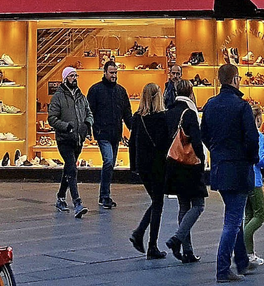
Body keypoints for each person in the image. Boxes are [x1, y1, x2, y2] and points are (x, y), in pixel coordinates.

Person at [201, 64, 261, 282]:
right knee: (233, 221)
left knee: (233, 215)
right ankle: (223, 268)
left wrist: (216, 150)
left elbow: (204, 134)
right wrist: (251, 158)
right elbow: (252, 138)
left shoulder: (210, 105)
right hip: (238, 168)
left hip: (219, 167)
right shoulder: (242, 106)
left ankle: (242, 261)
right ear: (235, 79)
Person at [164, 79, 207, 264]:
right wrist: (202, 160)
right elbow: (196, 141)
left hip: (174, 163)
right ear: (191, 93)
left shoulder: (169, 112)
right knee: (198, 205)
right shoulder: (189, 113)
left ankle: (188, 251)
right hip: (190, 165)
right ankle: (177, 238)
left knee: (183, 206)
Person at [128, 82, 170, 259]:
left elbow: (132, 143)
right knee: (158, 203)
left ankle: (140, 233)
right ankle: (151, 244)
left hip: (143, 166)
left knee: (156, 201)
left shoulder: (137, 118)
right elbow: (164, 143)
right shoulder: (162, 117)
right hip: (158, 166)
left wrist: (134, 166)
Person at [87, 60, 132, 209]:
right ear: (105, 72)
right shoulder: (96, 90)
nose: (114, 75)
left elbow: (127, 112)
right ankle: (104, 195)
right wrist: (89, 130)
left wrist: (133, 127)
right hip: (102, 133)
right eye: (111, 73)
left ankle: (104, 195)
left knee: (110, 163)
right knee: (108, 161)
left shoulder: (121, 91)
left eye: (115, 73)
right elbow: (89, 112)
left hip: (115, 134)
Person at [47, 66, 92, 218]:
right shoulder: (58, 97)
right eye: (71, 76)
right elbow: (52, 118)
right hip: (64, 139)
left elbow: (89, 112)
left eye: (75, 76)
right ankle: (77, 202)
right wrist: (66, 126)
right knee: (72, 168)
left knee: (69, 169)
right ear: (65, 78)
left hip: (78, 139)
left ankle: (60, 197)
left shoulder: (81, 96)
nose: (74, 78)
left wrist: (87, 124)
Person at [244, 124, 264, 265]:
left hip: (243, 179)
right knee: (259, 215)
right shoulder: (257, 136)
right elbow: (260, 158)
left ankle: (249, 253)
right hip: (254, 180)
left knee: (249, 215)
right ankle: (244, 250)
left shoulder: (239, 133)